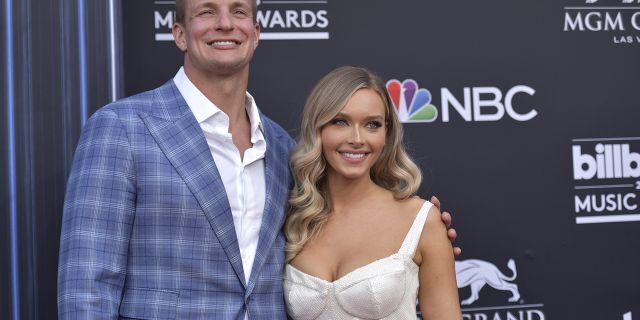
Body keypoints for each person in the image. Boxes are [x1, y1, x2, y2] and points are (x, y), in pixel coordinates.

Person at [57, 0, 459, 318]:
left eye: (239, 11)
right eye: (206, 12)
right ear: (179, 33)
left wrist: (425, 236)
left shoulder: (283, 149)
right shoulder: (122, 128)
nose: (225, 24)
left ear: (257, 32)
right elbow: (86, 285)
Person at [284, 66, 461, 319]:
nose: (357, 138)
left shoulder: (422, 220)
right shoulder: (291, 219)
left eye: (372, 124)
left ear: (386, 134)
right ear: (318, 129)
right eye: (340, 121)